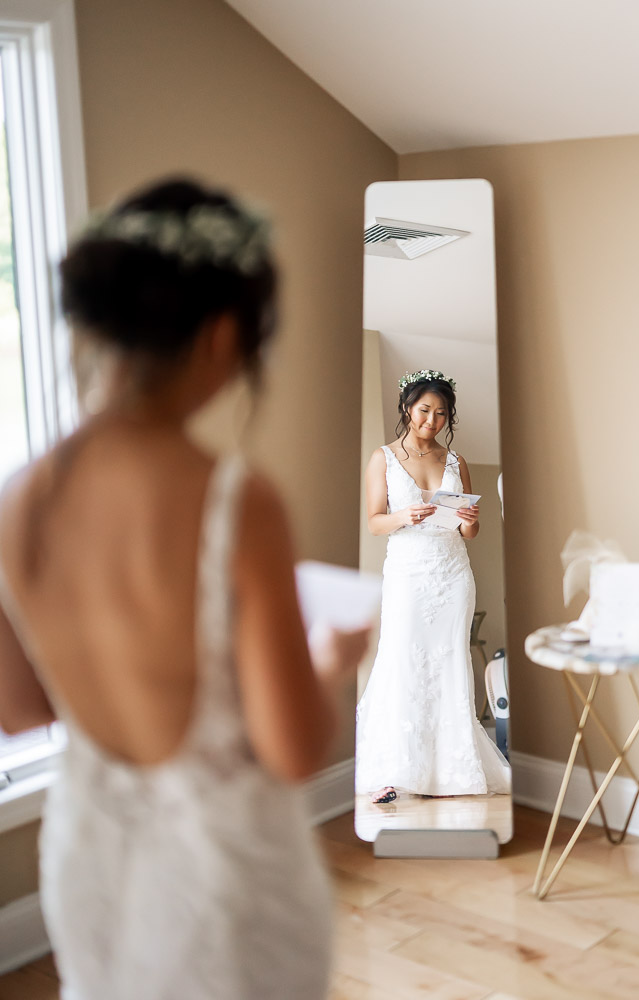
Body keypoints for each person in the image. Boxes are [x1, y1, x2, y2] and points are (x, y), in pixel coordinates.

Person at [0, 178, 368, 1000]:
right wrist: (330, 657)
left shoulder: (15, 501)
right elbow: (292, 748)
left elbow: (21, 710)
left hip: (89, 861)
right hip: (222, 884)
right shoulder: (234, 501)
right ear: (220, 334)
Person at [355, 369, 511, 804]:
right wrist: (406, 516)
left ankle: (451, 771)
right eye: (425, 410)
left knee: (449, 663)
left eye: (441, 414)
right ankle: (393, 769)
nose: (432, 420)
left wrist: (471, 523)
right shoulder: (382, 458)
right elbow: (374, 522)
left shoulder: (457, 461)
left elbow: (470, 534)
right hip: (408, 574)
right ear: (408, 408)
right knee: (402, 659)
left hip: (453, 574)